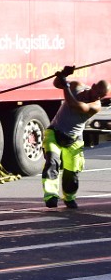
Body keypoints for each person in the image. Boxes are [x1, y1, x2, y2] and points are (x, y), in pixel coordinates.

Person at [42, 66, 109, 209]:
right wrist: (63, 76)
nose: (98, 97)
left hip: (74, 139)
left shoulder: (95, 106)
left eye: (101, 96)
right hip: (55, 132)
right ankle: (51, 196)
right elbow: (57, 84)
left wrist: (65, 84)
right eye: (98, 92)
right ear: (93, 86)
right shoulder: (76, 86)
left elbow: (74, 105)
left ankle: (69, 197)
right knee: (52, 162)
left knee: (72, 172)